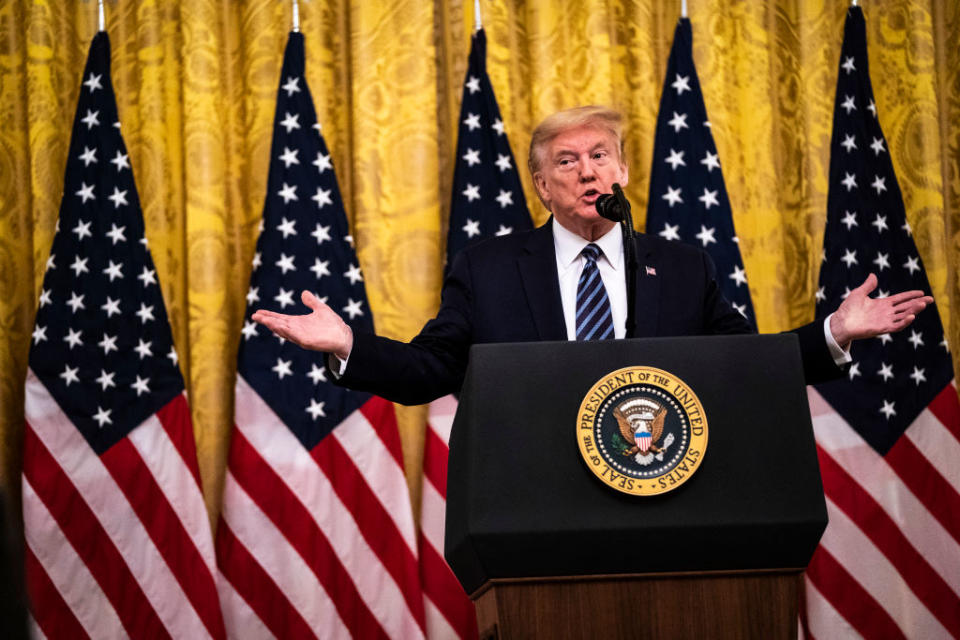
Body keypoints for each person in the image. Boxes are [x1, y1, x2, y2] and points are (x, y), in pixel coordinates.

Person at [252, 106, 932, 405]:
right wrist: (349, 346)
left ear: (624, 172)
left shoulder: (682, 264)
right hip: (535, 497)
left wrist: (833, 334)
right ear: (542, 187)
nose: (587, 172)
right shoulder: (488, 267)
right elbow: (432, 370)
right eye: (567, 162)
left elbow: (739, 367)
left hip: (666, 489)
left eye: (600, 156)